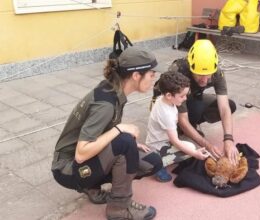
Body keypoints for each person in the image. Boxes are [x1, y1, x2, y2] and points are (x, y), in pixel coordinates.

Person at [51, 47, 163, 220]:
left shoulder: (113, 89)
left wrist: (125, 138)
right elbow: (81, 154)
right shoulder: (106, 104)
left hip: (83, 161)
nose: (154, 78)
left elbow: (106, 129)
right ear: (135, 76)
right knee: (125, 143)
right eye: (151, 74)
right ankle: (119, 208)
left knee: (151, 161)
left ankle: (92, 187)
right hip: (67, 169)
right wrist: (120, 131)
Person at [152, 39, 239, 165]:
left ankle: (191, 125)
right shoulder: (179, 70)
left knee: (230, 106)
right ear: (191, 67)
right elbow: (182, 118)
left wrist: (229, 139)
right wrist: (206, 145)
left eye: (208, 75)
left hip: (190, 96)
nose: (204, 80)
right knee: (178, 123)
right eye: (199, 75)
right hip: (169, 101)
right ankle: (180, 129)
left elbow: (224, 108)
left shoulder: (217, 72)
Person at [146, 71, 211, 182]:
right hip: (158, 146)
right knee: (190, 148)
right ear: (169, 95)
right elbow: (175, 141)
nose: (185, 98)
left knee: (187, 145)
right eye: (182, 96)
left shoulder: (163, 100)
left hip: (159, 139)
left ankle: (161, 157)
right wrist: (195, 154)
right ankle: (158, 164)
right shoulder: (167, 114)